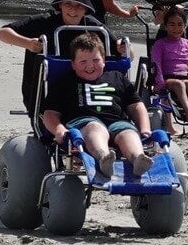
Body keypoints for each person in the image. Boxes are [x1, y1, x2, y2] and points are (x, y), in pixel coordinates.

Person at [41, 34, 155, 179]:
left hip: (116, 122)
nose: (90, 66)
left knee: (128, 132)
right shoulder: (65, 82)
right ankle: (103, 158)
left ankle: (137, 158)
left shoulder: (117, 77)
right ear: (73, 64)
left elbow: (136, 106)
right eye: (83, 61)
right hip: (83, 123)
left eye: (96, 60)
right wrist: (59, 129)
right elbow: (50, 113)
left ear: (104, 61)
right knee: (95, 127)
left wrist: (145, 129)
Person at [0, 0, 107, 116]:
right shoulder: (44, 21)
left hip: (80, 93)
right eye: (68, 3)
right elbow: (1, 33)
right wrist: (29, 43)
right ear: (60, 5)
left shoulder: (93, 27)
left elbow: (127, 53)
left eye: (79, 5)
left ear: (86, 9)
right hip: (41, 93)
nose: (73, 9)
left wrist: (121, 46)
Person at [150, 8, 188, 121]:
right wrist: (159, 82)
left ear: (184, 26)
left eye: (180, 24)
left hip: (184, 77)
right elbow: (156, 63)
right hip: (167, 79)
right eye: (172, 25)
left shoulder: (187, 44)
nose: (176, 28)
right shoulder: (160, 44)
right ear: (165, 26)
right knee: (180, 84)